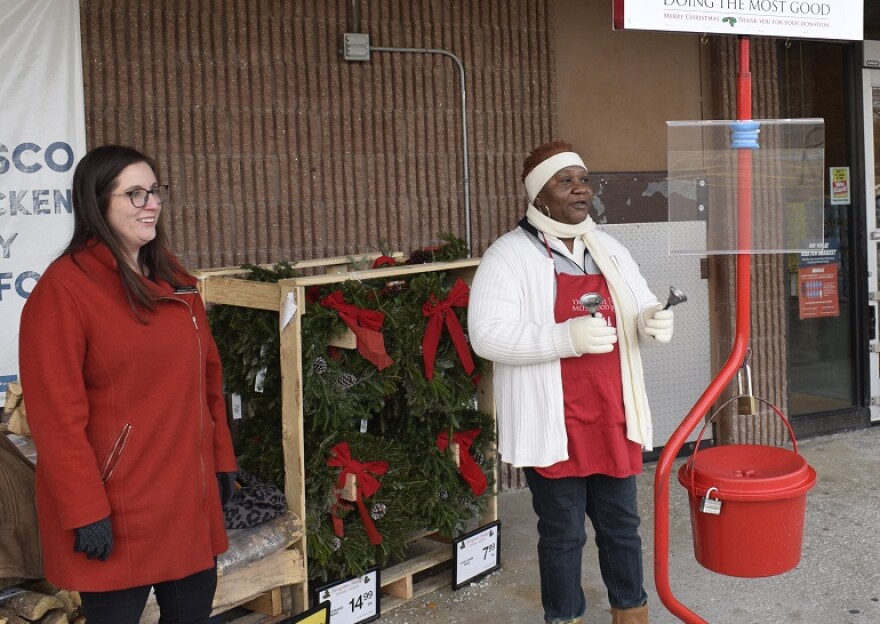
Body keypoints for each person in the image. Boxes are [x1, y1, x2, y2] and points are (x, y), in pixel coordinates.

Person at [18, 145, 238, 624]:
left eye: (154, 190)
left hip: (185, 500)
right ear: (98, 204)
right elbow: (55, 417)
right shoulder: (64, 290)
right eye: (134, 193)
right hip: (119, 509)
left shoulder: (175, 281)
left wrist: (221, 460)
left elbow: (208, 382)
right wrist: (83, 509)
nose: (151, 203)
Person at [468, 141, 674, 624]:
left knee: (622, 526)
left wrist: (649, 320)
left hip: (611, 415)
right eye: (566, 181)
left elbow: (639, 301)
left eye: (583, 178)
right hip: (553, 423)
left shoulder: (610, 249)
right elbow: (486, 336)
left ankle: (632, 612)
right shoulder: (508, 256)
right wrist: (564, 337)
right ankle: (564, 617)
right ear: (539, 195)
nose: (581, 188)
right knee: (563, 534)